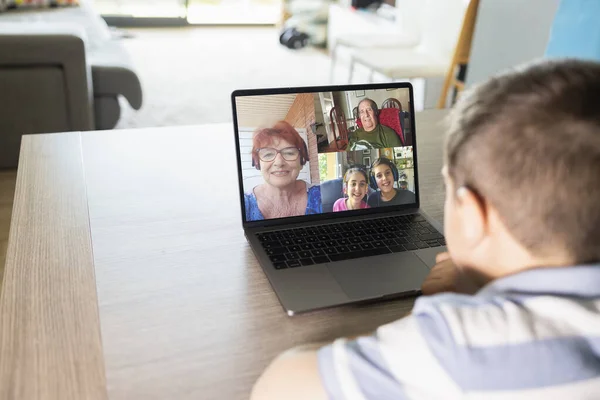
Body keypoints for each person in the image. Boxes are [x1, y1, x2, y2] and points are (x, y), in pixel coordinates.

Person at [250, 59, 600, 399]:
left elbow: (275, 387)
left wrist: (443, 313)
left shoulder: (461, 345)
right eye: (268, 154)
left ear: (473, 217)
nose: (279, 161)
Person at [245, 121, 321, 221]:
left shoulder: (323, 196)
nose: (279, 162)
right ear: (258, 163)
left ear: (302, 160)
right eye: (268, 154)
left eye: (289, 153)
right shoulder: (243, 205)